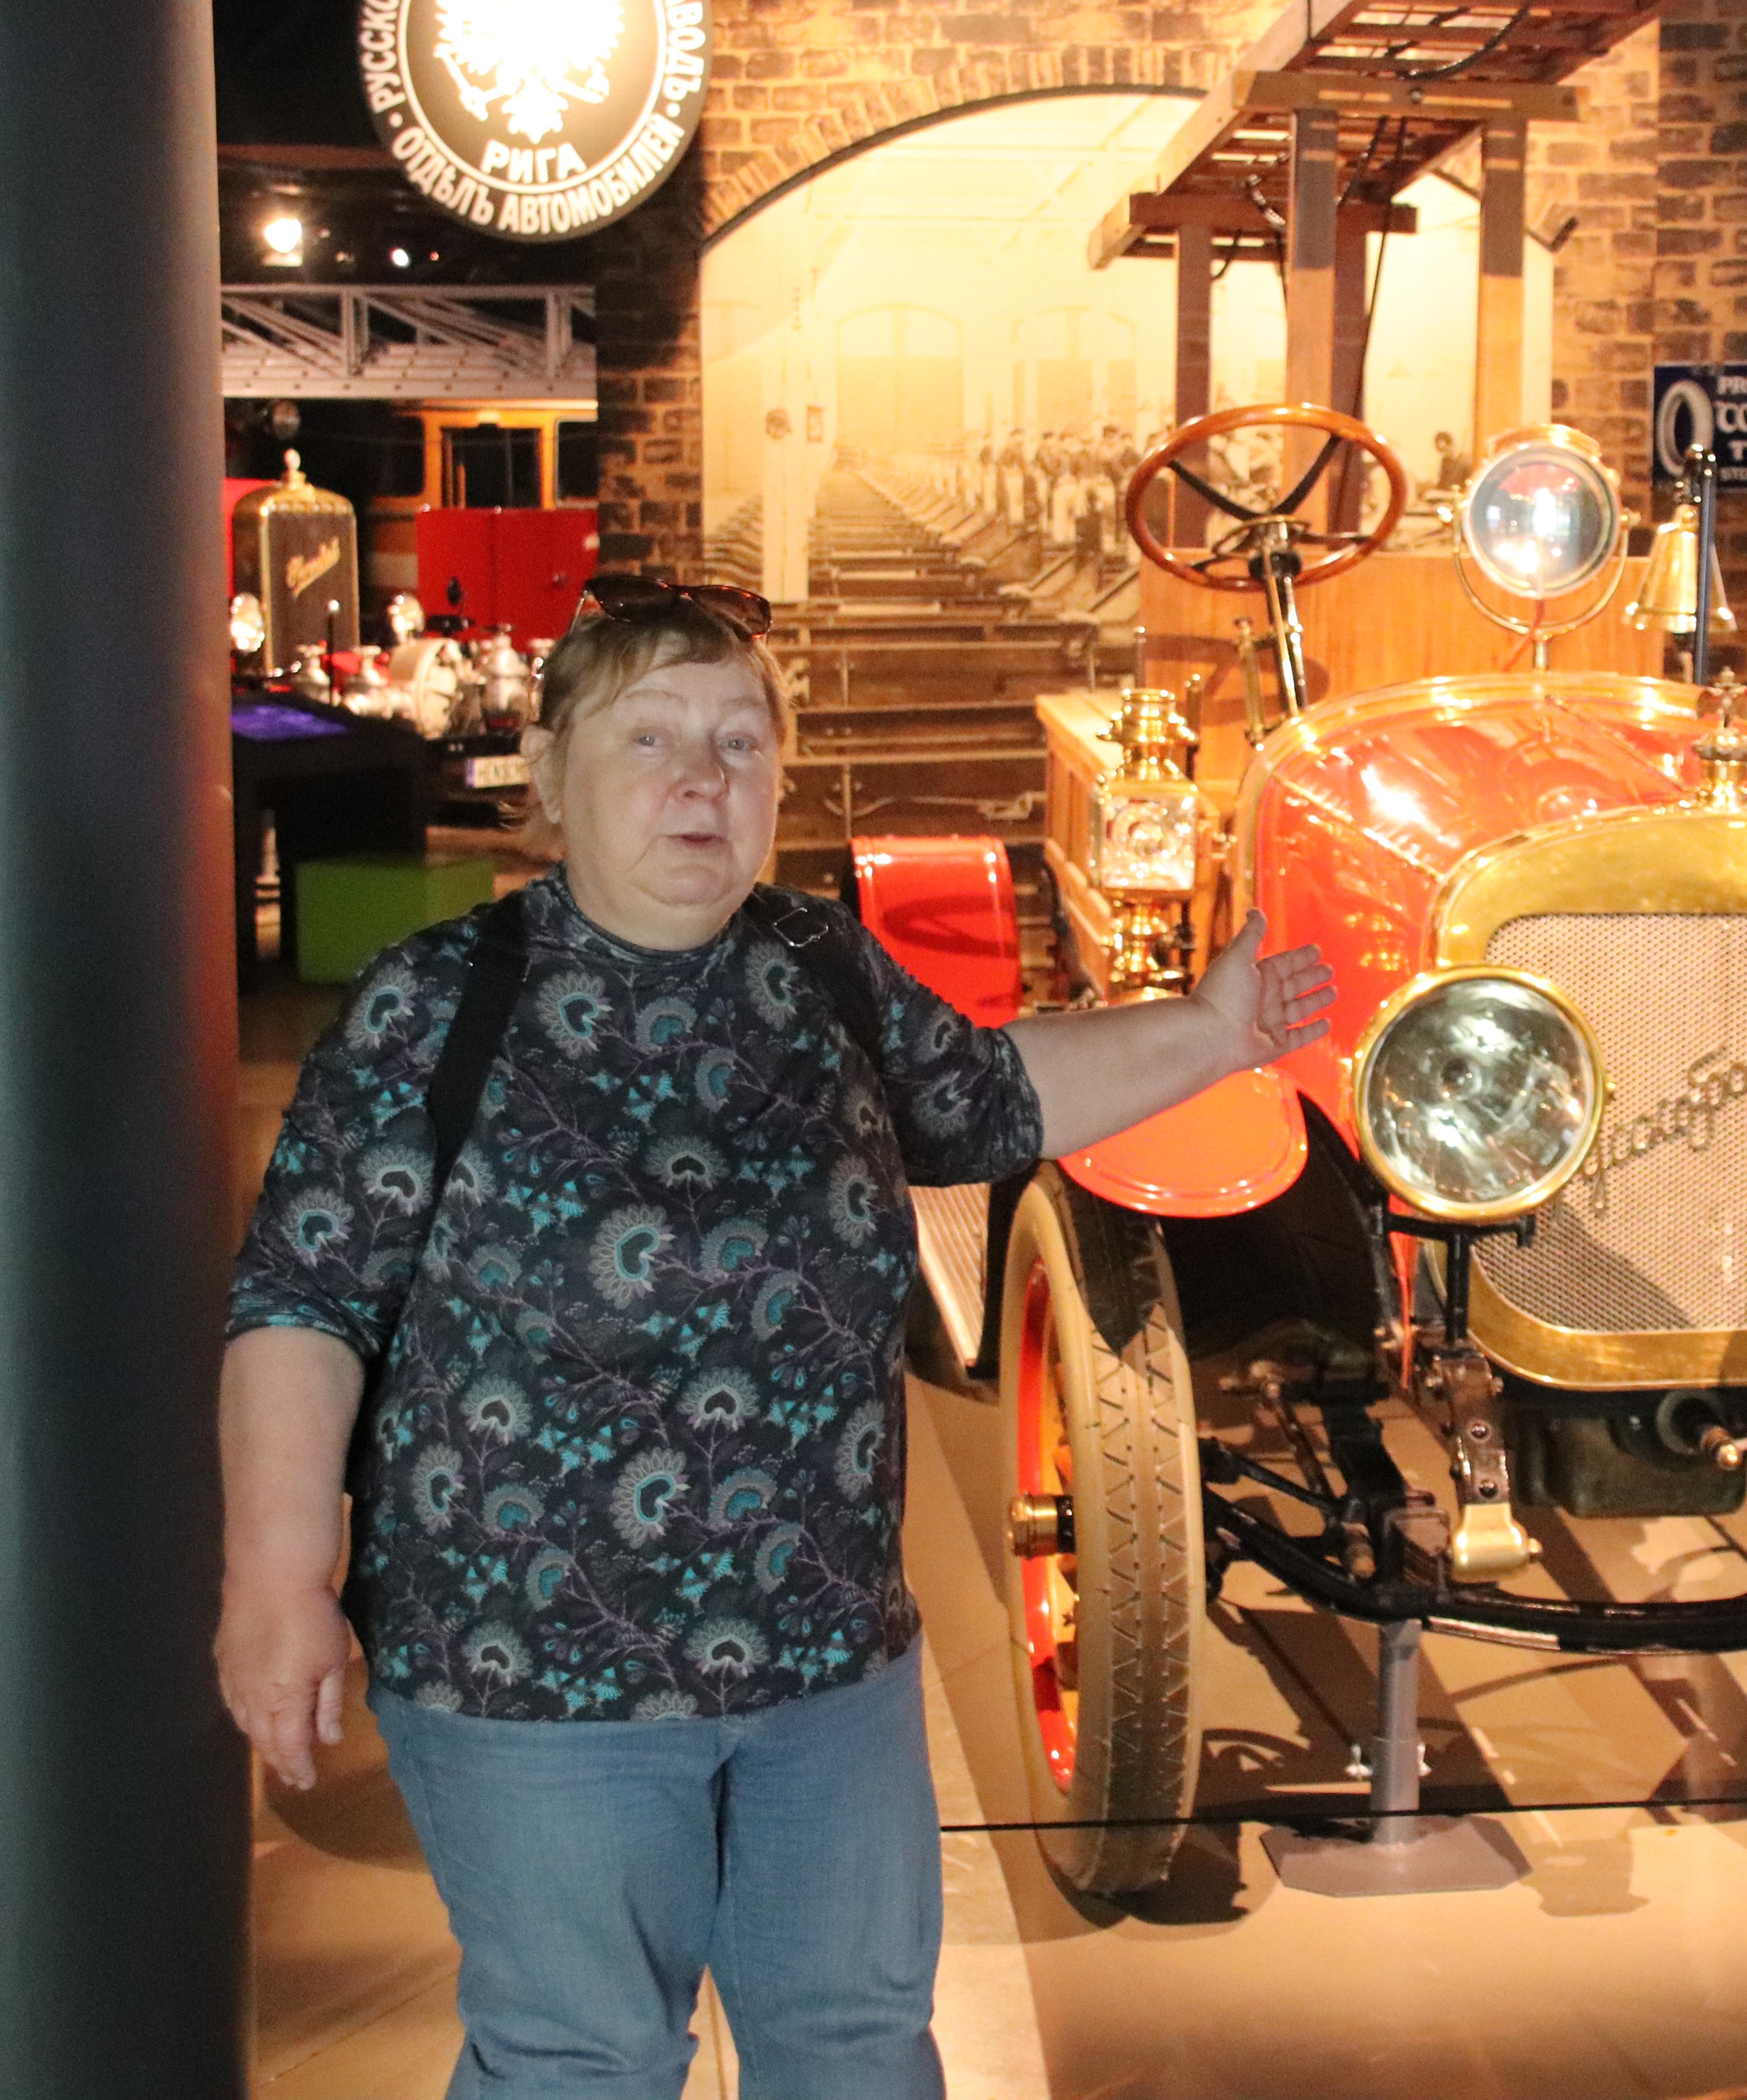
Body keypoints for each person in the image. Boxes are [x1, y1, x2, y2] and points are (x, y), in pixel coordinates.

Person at [215, 574, 1332, 2098]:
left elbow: (991, 1098)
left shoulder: (814, 964)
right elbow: (305, 1301)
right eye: (650, 738)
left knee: (855, 2049)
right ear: (548, 777)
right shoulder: (437, 1005)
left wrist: (1214, 1033)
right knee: (583, 2060)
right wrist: (278, 1583)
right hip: (532, 1669)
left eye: (741, 742)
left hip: (824, 1660)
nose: (703, 779)